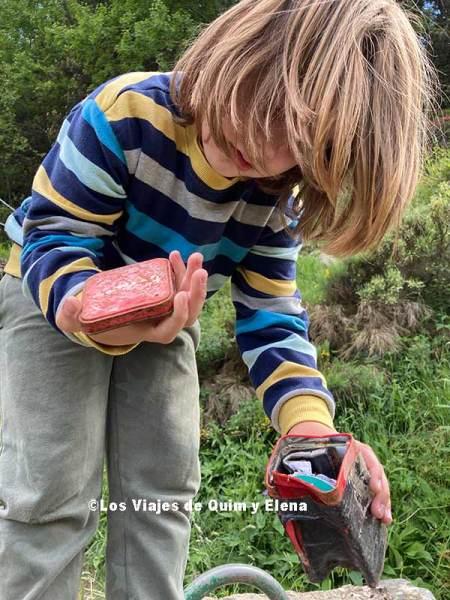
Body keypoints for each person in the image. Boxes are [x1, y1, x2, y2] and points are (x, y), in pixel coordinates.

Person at [0, 0, 437, 598]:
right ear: (243, 46)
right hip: (51, 298)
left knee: (162, 487)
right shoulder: (125, 114)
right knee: (52, 492)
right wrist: (84, 307)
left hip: (168, 312)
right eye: (273, 106)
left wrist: (312, 434)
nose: (269, 149)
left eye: (303, 146)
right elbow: (56, 235)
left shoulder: (273, 198)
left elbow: (272, 317)